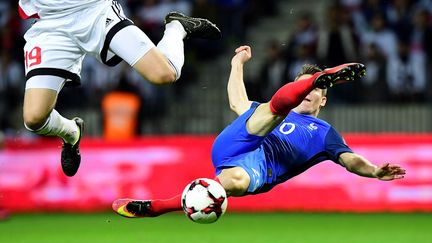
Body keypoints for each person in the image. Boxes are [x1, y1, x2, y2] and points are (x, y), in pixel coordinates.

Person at [112, 45, 406, 218]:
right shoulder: (274, 112)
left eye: (316, 88)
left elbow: (350, 160)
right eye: (306, 85)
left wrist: (374, 171)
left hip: (257, 167)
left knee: (227, 184)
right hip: (240, 140)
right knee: (267, 111)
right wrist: (236, 64)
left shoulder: (324, 133)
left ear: (324, 98)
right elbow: (237, 101)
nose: (310, 94)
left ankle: (156, 208)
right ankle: (318, 77)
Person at [18, 0, 221, 177]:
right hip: (50, 25)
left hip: (95, 11)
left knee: (164, 73)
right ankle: (71, 132)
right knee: (34, 118)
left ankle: (177, 27)